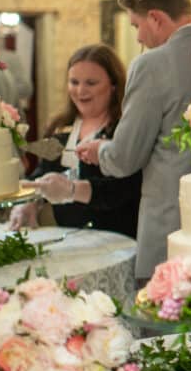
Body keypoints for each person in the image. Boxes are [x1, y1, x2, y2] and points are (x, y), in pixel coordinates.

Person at [76, 0, 191, 280]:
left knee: (164, 325)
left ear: (156, 18)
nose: (138, 38)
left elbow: (125, 158)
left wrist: (101, 150)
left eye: (136, 26)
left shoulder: (152, 64)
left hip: (171, 224)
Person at [9, 45, 140, 237]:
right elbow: (42, 173)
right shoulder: (59, 127)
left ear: (113, 85)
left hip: (117, 239)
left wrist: (72, 190)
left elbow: (124, 188)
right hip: (70, 239)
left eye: (91, 83)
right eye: (74, 82)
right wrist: (30, 202)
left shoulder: (125, 129)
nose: (80, 90)